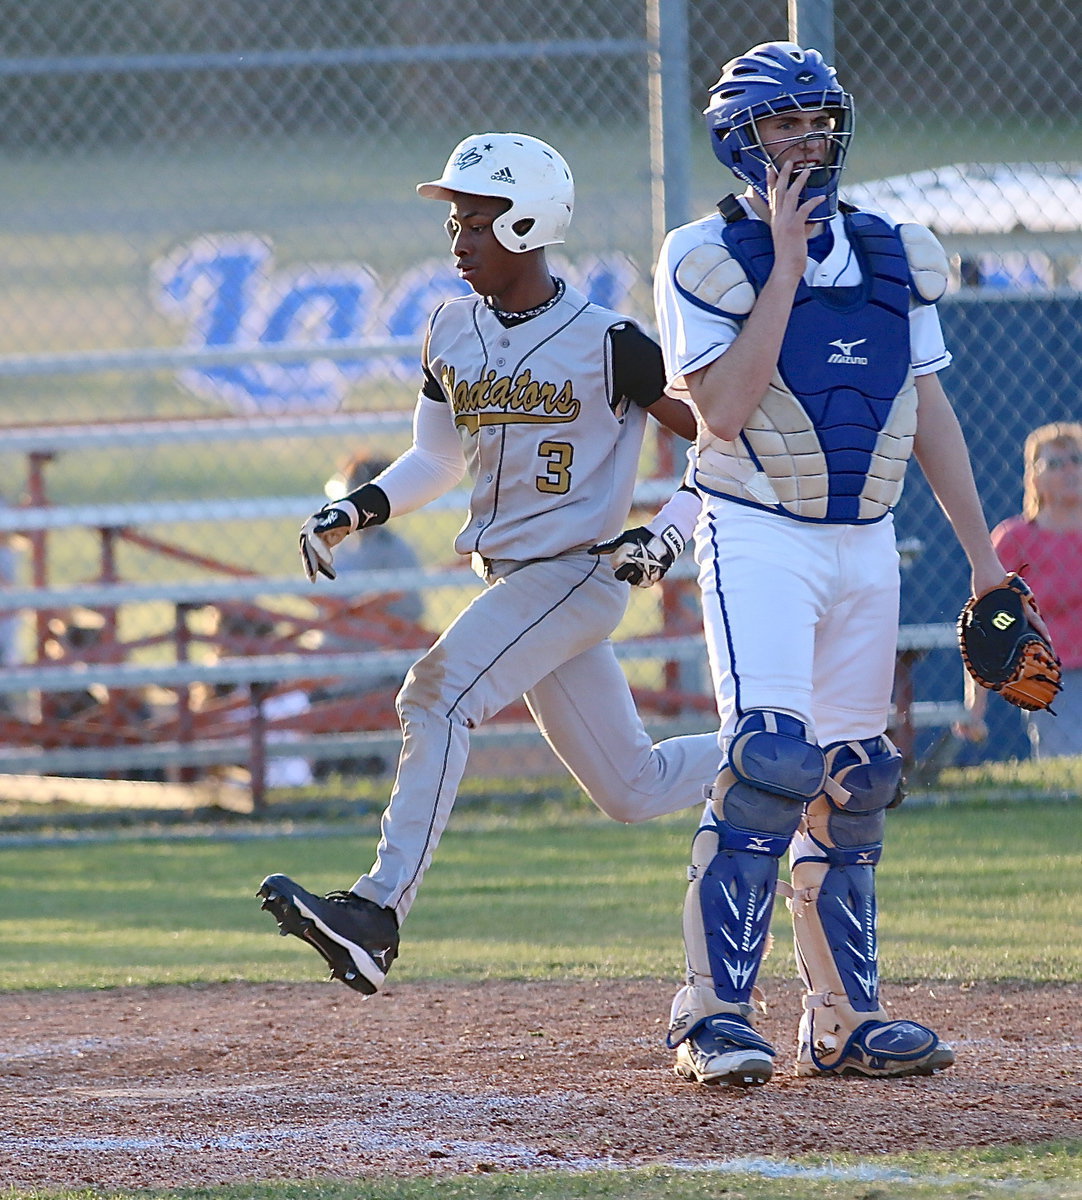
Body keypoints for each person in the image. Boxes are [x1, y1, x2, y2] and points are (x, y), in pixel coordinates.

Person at [648, 41, 1051, 1086]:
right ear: (741, 141)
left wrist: (982, 562)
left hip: (862, 536)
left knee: (853, 776)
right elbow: (722, 413)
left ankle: (841, 1019)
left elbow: (927, 413)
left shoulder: (892, 251)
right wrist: (781, 264)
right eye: (785, 125)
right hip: (757, 530)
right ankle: (710, 1016)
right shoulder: (700, 254)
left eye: (819, 123)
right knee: (769, 758)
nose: (808, 142)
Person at [257, 132, 723, 995]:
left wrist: (669, 531)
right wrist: (353, 511)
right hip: (513, 582)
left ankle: (376, 913)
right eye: (457, 223)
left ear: (531, 222)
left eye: (479, 222)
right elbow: (434, 459)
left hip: (577, 573)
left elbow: (720, 440)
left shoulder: (609, 341)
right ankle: (797, 756)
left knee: (433, 695)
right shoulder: (449, 326)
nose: (460, 241)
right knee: (633, 785)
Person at [955, 421, 1082, 757]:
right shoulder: (1016, 540)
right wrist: (975, 708)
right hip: (1055, 677)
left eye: (1076, 459)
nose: (1069, 470)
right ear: (1034, 477)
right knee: (1068, 777)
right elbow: (983, 624)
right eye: (1055, 463)